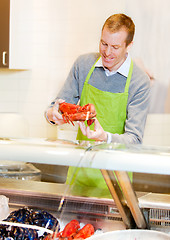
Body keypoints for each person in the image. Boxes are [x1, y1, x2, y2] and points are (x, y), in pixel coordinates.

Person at [45, 13, 150, 198]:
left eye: (115, 47)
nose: (107, 52)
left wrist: (104, 138)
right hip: (79, 174)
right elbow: (57, 105)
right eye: (104, 43)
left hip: (116, 182)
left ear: (129, 46)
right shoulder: (84, 65)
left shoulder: (139, 81)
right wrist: (51, 115)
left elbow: (135, 141)